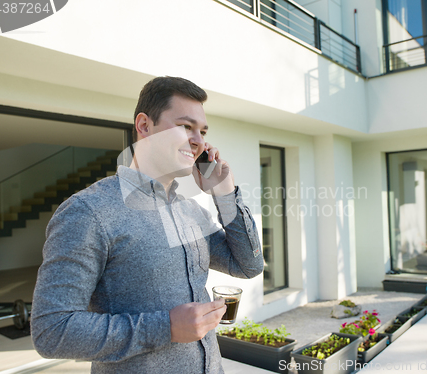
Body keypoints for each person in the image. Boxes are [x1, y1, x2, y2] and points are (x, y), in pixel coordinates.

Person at [31, 76, 264, 373]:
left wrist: (225, 193)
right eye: (185, 126)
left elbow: (249, 265)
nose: (199, 141)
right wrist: (165, 327)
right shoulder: (89, 212)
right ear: (144, 126)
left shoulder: (191, 211)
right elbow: (52, 331)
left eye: (202, 131)